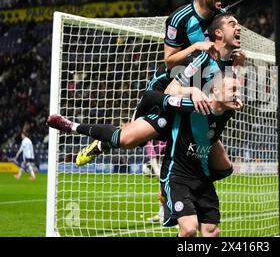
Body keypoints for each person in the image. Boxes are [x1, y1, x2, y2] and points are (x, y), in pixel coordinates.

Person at [47, 13, 244, 183]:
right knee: (127, 139)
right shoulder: (201, 55)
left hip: (193, 115)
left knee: (224, 169)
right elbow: (169, 91)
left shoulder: (230, 64)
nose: (239, 27)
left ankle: (185, 184)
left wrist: (237, 70)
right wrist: (192, 91)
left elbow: (225, 91)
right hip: (168, 104)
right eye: (233, 24)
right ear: (218, 33)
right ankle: (72, 126)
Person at [154, 73, 243, 236]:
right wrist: (191, 90)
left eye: (238, 90)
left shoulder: (228, 111)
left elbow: (211, 136)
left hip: (202, 177)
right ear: (215, 90)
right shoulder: (192, 106)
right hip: (177, 176)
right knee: (189, 228)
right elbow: (157, 95)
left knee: (212, 231)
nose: (237, 94)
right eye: (233, 90)